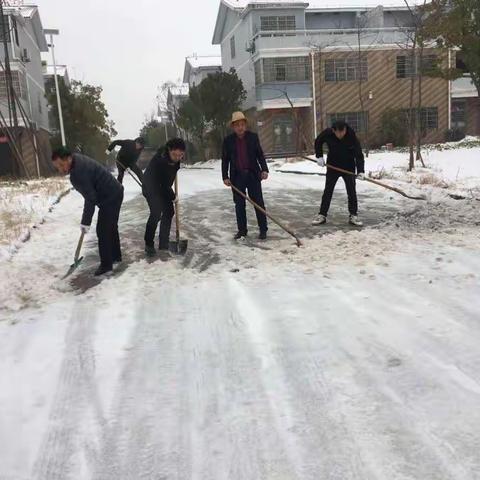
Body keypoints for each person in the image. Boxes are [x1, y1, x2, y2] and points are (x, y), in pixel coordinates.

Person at [52, 147, 124, 276]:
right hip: (115, 191)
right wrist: (86, 220)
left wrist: (86, 222)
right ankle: (115, 257)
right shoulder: (77, 161)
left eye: (62, 165)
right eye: (57, 167)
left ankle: (107, 266)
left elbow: (90, 198)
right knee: (111, 227)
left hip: (110, 195)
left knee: (103, 230)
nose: (61, 169)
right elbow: (90, 196)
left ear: (68, 158)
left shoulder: (78, 172)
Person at [222, 111, 269, 240]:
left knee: (258, 203)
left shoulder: (253, 137)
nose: (240, 127)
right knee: (239, 204)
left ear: (246, 125)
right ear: (233, 127)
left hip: (253, 175)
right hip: (237, 178)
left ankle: (263, 230)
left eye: (242, 124)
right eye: (237, 125)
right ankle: (242, 231)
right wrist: (225, 176)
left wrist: (264, 169)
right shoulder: (228, 141)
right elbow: (225, 160)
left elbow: (260, 155)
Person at [313, 120, 365, 227]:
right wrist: (319, 156)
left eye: (343, 132)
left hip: (348, 166)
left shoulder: (351, 135)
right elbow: (318, 141)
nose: (341, 134)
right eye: (338, 133)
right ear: (333, 131)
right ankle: (322, 215)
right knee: (328, 190)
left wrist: (360, 171)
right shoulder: (328, 133)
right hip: (333, 166)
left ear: (345, 129)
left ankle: (353, 215)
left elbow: (358, 154)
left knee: (351, 191)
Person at [142, 138, 186, 256]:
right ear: (169, 150)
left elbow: (168, 180)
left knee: (169, 211)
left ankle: (163, 243)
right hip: (150, 186)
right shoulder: (160, 161)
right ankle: (148, 244)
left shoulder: (175, 158)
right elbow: (164, 185)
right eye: (175, 155)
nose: (177, 158)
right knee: (156, 213)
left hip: (163, 186)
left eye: (180, 155)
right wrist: (173, 196)